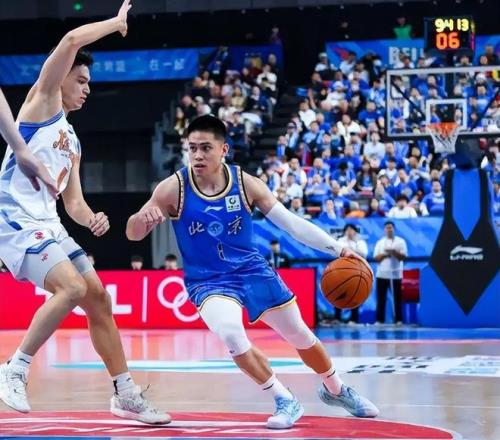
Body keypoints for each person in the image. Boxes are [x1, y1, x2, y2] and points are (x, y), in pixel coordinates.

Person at [126, 115, 379, 429]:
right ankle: (284, 398)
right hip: (208, 280)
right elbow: (132, 233)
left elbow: (291, 224)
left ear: (224, 149)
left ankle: (336, 389)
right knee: (232, 333)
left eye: (206, 148)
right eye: (192, 148)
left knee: (300, 334)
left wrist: (338, 249)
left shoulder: (245, 183)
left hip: (252, 270)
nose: (198, 155)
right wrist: (141, 220)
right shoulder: (172, 188)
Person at [0, 0, 169, 424]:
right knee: (72, 289)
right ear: (62, 78)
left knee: (99, 298)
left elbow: (72, 203)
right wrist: (116, 22)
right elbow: (72, 39)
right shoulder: (41, 103)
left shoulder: (73, 141)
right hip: (13, 219)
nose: (87, 88)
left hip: (49, 223)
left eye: (89, 82)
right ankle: (14, 369)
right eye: (81, 79)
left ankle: (125, 394)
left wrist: (91, 217)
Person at [373, 221, 407, 325]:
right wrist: (385, 254)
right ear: (384, 230)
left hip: (396, 274)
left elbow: (403, 257)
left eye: (390, 227)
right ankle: (380, 320)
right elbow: (376, 258)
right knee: (381, 298)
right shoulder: (380, 242)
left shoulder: (400, 241)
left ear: (394, 229)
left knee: (397, 298)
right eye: (387, 228)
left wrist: (394, 252)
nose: (389, 230)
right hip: (382, 274)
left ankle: (398, 320)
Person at [334, 224, 368, 324]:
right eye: (347, 229)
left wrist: (351, 246)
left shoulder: (360, 242)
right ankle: (337, 318)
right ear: (344, 231)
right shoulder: (340, 241)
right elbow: (337, 252)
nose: (349, 231)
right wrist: (351, 251)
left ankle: (354, 319)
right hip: (342, 270)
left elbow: (364, 253)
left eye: (351, 229)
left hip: (356, 271)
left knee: (355, 293)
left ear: (355, 231)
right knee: (338, 293)